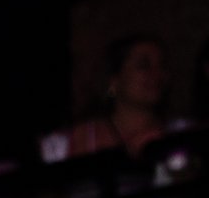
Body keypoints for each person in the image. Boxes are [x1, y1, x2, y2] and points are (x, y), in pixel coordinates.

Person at [41, 34, 178, 163]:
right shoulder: (68, 142)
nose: (157, 74)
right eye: (143, 66)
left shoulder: (178, 132)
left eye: (162, 65)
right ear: (114, 80)